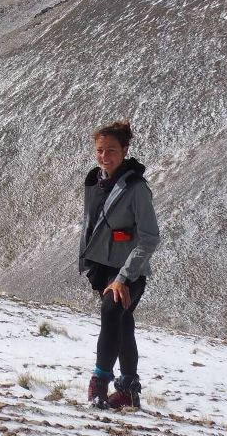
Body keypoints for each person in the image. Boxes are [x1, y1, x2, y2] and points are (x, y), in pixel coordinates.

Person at [78, 119, 160, 409]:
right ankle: (128, 390)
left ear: (125, 150)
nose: (104, 156)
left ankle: (99, 382)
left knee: (112, 311)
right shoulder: (94, 180)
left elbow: (150, 238)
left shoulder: (136, 188)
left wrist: (123, 277)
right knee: (122, 325)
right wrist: (88, 262)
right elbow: (91, 225)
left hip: (130, 271)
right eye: (100, 150)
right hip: (102, 268)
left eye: (111, 150)